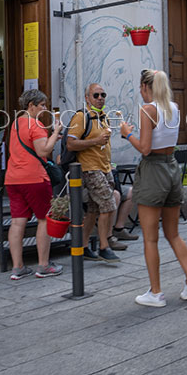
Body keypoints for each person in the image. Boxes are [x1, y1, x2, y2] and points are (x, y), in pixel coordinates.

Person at [120, 69, 187, 307]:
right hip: (172, 168)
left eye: (140, 86)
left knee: (150, 238)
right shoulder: (174, 108)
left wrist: (128, 134)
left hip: (154, 170)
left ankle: (156, 292)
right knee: (174, 233)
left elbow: (145, 148)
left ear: (146, 87)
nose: (139, 90)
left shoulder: (148, 110)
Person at [4, 89, 63, 280]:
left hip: (13, 179)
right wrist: (55, 133)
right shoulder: (35, 124)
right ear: (31, 106)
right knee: (44, 219)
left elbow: (29, 145)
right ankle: (43, 265)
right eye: (42, 105)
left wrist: (51, 138)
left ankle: (17, 267)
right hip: (34, 178)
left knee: (17, 222)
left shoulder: (15, 123)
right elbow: (44, 151)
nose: (44, 109)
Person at [66, 83, 121, 262]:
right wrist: (95, 141)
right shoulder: (81, 117)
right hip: (89, 168)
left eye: (102, 95)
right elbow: (70, 143)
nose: (100, 98)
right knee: (108, 204)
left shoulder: (103, 117)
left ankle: (82, 246)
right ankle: (104, 246)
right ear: (87, 98)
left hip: (104, 167)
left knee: (94, 209)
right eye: (96, 95)